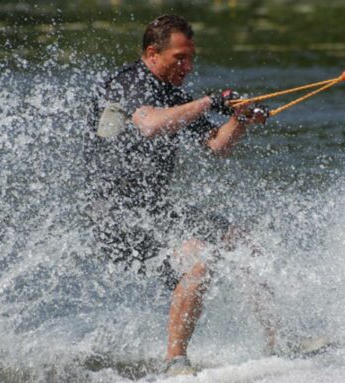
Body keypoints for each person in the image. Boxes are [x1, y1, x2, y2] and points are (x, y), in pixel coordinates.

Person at [84, 14, 273, 375]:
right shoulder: (127, 84)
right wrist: (209, 102)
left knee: (243, 243)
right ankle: (175, 362)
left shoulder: (173, 95)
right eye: (179, 59)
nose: (188, 66)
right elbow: (151, 125)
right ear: (153, 53)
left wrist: (240, 119)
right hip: (116, 216)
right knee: (197, 258)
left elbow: (217, 146)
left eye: (191, 58)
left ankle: (277, 345)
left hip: (154, 209)